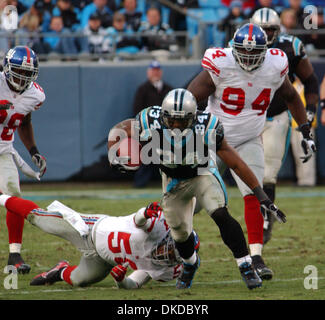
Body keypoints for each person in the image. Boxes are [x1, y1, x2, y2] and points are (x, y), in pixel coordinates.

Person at [108, 88, 288, 290]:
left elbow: (236, 163)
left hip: (201, 174)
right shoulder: (149, 119)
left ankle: (246, 265)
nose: (176, 126)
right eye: (172, 120)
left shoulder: (207, 125)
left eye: (182, 121)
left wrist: (261, 195)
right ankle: (190, 264)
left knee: (220, 213)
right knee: (179, 234)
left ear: (194, 117)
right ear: (163, 116)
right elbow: (120, 128)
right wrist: (114, 153)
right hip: (172, 181)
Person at [186, 23, 316, 280]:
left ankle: (255, 256)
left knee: (255, 196)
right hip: (213, 139)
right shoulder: (220, 62)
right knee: (193, 200)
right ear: (233, 49)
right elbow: (190, 98)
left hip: (248, 140)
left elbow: (291, 96)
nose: (246, 59)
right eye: (242, 53)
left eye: (252, 53)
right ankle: (172, 246)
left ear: (265, 50)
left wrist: (305, 129)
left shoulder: (274, 65)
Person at [0, 193, 199, 289]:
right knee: (40, 220)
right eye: (172, 249)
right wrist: (145, 212)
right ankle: (2, 197)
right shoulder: (160, 227)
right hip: (90, 230)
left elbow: (134, 284)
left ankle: (59, 270)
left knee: (80, 280)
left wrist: (121, 280)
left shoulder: (167, 269)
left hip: (103, 260)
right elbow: (139, 220)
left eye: (173, 256)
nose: (167, 254)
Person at [251, 8, 319, 243]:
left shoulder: (291, 46)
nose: (267, 34)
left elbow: (310, 81)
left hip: (276, 116)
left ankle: (266, 218)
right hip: (246, 116)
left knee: (269, 172)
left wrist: (308, 114)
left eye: (271, 29)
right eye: (262, 29)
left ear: (278, 30)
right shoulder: (238, 43)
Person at [0, 46, 46, 274]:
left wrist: (34, 151)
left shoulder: (35, 95)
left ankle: (14, 256)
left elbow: (25, 122)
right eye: (19, 71)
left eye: (28, 73)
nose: (23, 77)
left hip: (3, 150)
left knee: (13, 197)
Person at [132, 60, 173, 188]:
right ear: (148, 72)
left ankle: (172, 182)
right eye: (153, 70)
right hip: (149, 131)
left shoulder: (168, 89)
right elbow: (137, 109)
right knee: (146, 156)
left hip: (166, 130)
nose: (155, 73)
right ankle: (140, 183)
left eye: (157, 70)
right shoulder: (143, 89)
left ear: (160, 72)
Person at [291, 79, 317, 187]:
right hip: (293, 124)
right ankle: (301, 179)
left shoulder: (309, 86)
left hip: (306, 125)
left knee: (307, 152)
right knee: (297, 153)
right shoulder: (292, 85)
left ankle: (308, 180)